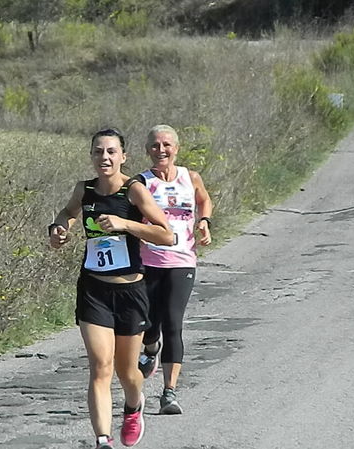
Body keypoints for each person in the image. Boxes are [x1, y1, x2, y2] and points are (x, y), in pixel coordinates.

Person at [49, 128, 175, 449]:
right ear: (91, 156)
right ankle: (102, 439)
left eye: (110, 152)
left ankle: (134, 405)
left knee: (126, 372)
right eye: (97, 152)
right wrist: (60, 227)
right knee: (100, 366)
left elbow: (166, 235)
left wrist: (126, 224)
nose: (103, 158)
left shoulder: (134, 191)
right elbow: (67, 212)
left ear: (123, 157)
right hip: (94, 290)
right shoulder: (85, 189)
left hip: (130, 292)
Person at [136, 124, 213, 415]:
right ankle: (150, 347)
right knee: (148, 323)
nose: (161, 151)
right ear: (147, 150)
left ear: (176, 149)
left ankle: (169, 392)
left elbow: (204, 199)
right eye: (155, 146)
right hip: (148, 262)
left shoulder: (189, 177)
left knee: (172, 323)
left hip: (182, 260)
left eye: (166, 145)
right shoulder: (140, 183)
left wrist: (204, 222)